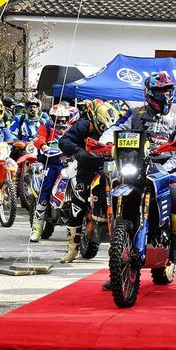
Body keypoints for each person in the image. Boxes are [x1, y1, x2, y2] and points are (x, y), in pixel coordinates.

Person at [100, 72, 176, 263]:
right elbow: (115, 128)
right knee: (114, 190)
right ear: (149, 93)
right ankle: (118, 247)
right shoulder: (134, 114)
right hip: (135, 167)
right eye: (159, 92)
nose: (164, 96)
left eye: (167, 92)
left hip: (164, 169)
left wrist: (167, 167)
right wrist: (107, 142)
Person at [58, 101, 119, 263]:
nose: (106, 130)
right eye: (103, 127)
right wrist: (79, 152)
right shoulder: (83, 126)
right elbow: (63, 141)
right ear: (96, 120)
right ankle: (72, 248)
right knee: (77, 204)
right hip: (87, 169)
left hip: (111, 169)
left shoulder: (120, 127)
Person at [29, 104, 78, 242]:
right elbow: (39, 138)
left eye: (64, 119)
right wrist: (43, 146)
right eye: (58, 119)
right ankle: (37, 228)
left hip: (70, 162)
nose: (61, 122)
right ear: (52, 118)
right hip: (51, 163)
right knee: (46, 189)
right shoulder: (45, 127)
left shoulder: (71, 129)